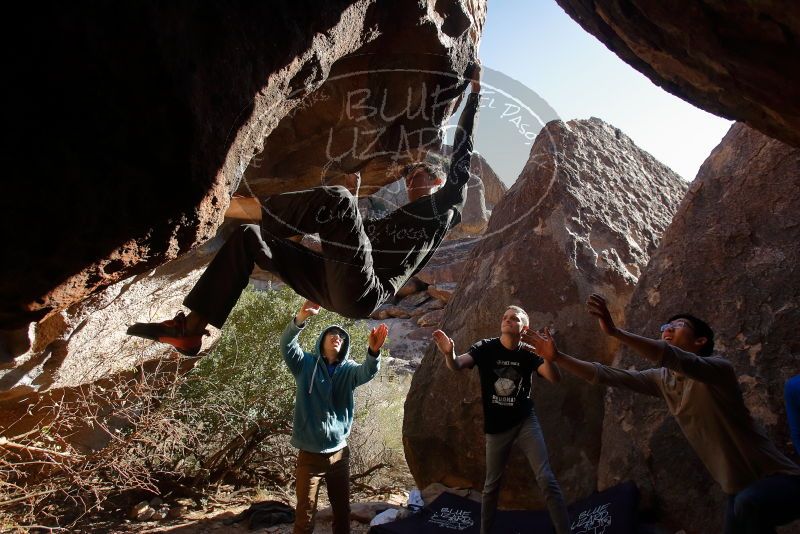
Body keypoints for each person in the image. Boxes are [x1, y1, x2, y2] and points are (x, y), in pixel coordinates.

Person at [126, 62, 482, 356]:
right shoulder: (398, 220)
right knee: (251, 239)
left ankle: (228, 207)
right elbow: (350, 239)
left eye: (416, 177)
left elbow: (462, 149)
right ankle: (192, 328)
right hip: (336, 285)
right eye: (407, 178)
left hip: (364, 292)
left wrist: (473, 96)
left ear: (437, 182)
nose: (409, 182)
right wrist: (352, 211)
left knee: (338, 199)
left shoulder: (447, 204)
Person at [524, 294, 800, 534]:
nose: (667, 329)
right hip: (737, 491)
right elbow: (605, 374)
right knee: (745, 509)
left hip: (780, 480)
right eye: (665, 326)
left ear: (700, 341)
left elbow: (672, 356)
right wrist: (557, 357)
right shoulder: (662, 380)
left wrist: (616, 332)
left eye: (677, 326)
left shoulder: (718, 371)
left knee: (749, 505)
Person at [432, 306, 571, 534]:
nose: (507, 321)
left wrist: (548, 356)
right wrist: (449, 353)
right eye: (505, 317)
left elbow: (554, 378)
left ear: (523, 328)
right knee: (491, 486)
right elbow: (457, 365)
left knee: (546, 478)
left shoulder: (529, 351)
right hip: (497, 427)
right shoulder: (485, 348)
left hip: (525, 420)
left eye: (514, 319)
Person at [282, 300, 387, 534]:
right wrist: (300, 319)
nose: (336, 336)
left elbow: (367, 371)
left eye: (341, 335)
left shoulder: (349, 371)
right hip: (309, 454)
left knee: (342, 511)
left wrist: (373, 352)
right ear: (322, 340)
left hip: (339, 453)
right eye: (331, 333)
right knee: (305, 513)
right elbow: (287, 345)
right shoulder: (305, 365)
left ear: (345, 343)